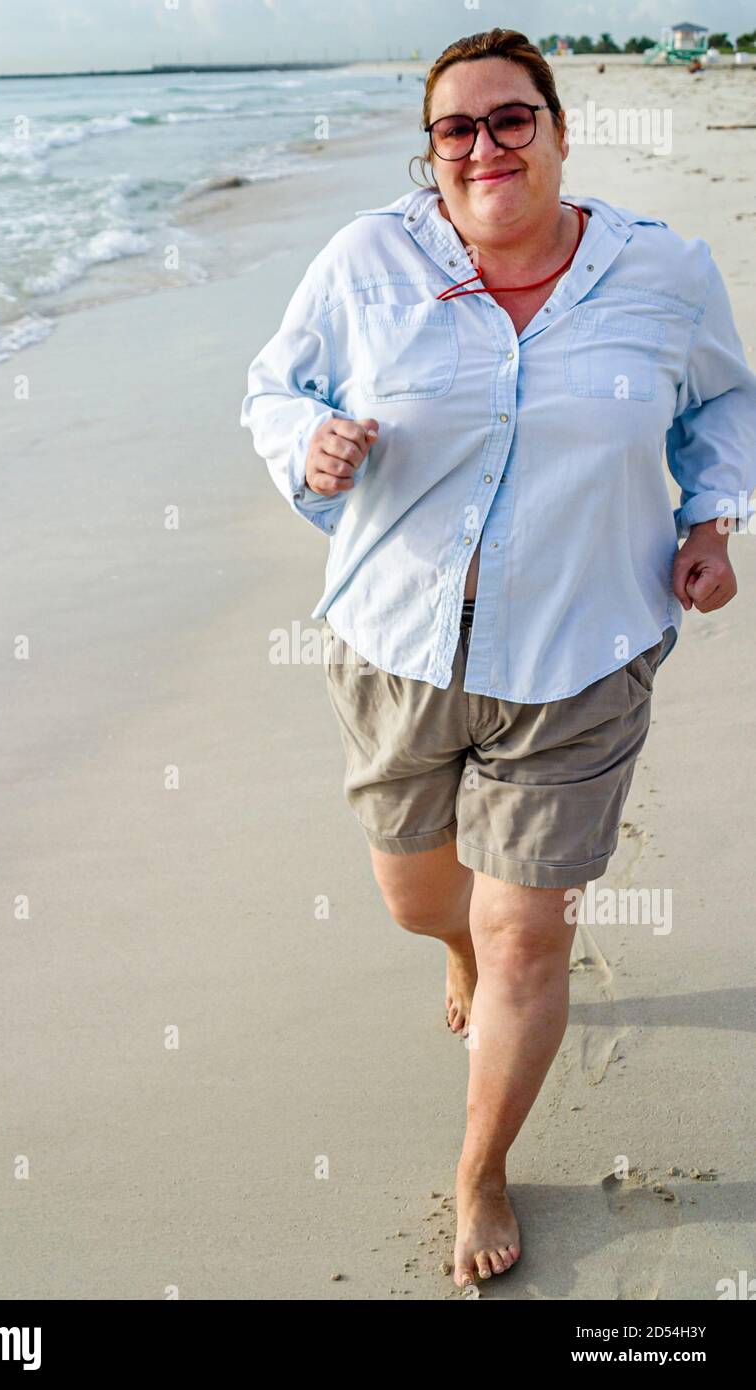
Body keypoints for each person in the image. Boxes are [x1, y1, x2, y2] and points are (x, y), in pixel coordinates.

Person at [239, 28, 756, 1291]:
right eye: (455, 129)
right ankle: (457, 951)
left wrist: (709, 515)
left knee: (529, 938)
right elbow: (271, 384)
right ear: (430, 152)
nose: (483, 146)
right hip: (395, 646)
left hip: (580, 655)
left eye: (509, 119)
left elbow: (724, 401)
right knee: (422, 901)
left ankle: (480, 1165)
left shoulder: (660, 272)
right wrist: (307, 443)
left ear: (559, 132)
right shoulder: (368, 262)